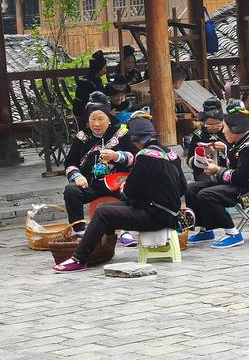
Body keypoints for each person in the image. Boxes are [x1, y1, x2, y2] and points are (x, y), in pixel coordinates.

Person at [53, 111, 187, 272]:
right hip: (169, 213)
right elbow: (183, 187)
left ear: (136, 140)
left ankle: (79, 259)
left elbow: (130, 192)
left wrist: (134, 193)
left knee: (103, 213)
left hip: (156, 216)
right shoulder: (172, 154)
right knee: (104, 208)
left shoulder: (145, 156)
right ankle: (103, 249)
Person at [186, 99, 249, 249]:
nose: (223, 131)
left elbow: (239, 178)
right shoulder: (240, 143)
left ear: (235, 129)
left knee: (206, 194)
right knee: (191, 189)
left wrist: (217, 170)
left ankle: (233, 233)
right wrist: (214, 158)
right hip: (236, 185)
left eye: (224, 127)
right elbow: (233, 168)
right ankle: (206, 229)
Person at [63, 91, 137, 245]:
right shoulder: (82, 137)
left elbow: (135, 159)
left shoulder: (122, 134)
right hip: (91, 184)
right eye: (93, 119)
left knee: (129, 188)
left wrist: (117, 156)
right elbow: (70, 163)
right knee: (71, 191)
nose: (96, 124)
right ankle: (80, 231)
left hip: (116, 181)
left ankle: (126, 231)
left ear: (109, 118)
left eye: (100, 119)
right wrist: (77, 176)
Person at [186, 97, 228, 182]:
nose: (213, 127)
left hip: (225, 173)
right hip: (204, 174)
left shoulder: (228, 132)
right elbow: (189, 161)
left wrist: (225, 149)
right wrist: (201, 156)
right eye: (209, 124)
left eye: (217, 123)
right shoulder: (199, 134)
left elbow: (238, 157)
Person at [73, 50, 108, 118]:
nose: (106, 70)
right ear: (99, 68)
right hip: (85, 114)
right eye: (105, 67)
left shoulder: (97, 80)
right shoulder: (85, 83)